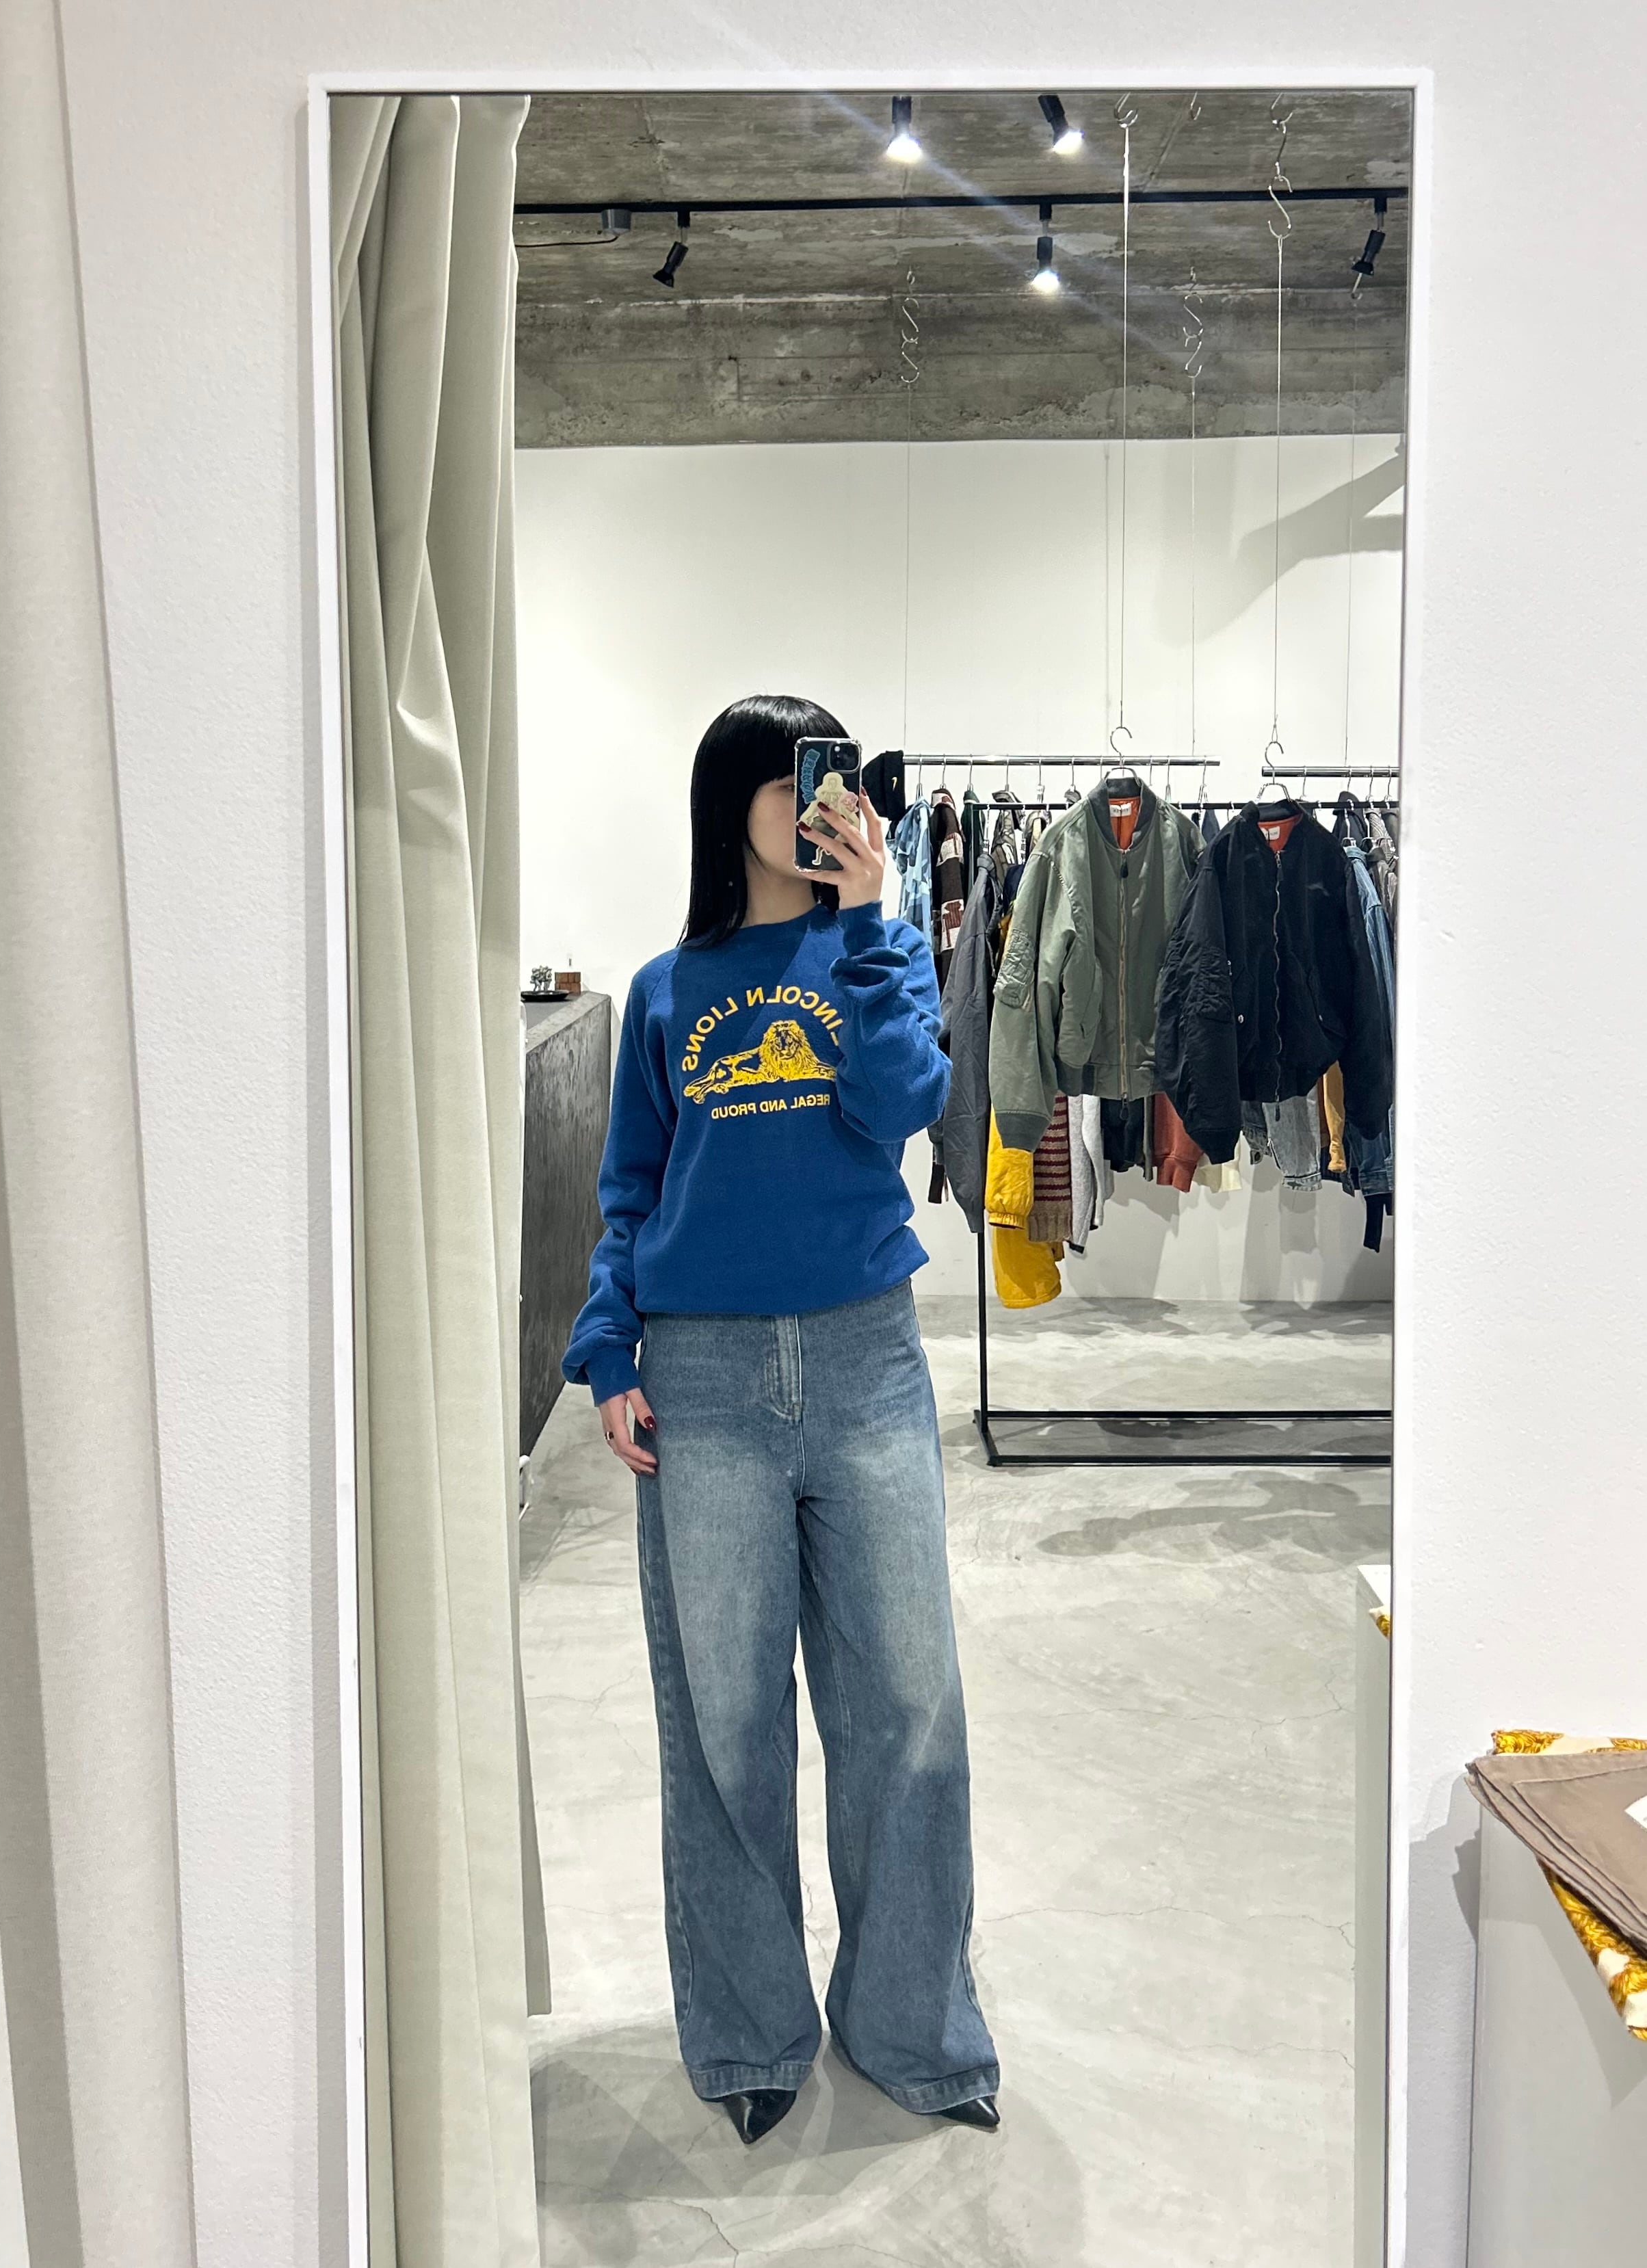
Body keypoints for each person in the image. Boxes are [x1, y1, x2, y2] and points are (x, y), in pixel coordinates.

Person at [562, 693, 1001, 2146]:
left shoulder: (875, 948)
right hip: (701, 1379)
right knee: (724, 1722)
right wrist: (608, 1349)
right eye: (793, 779)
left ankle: (913, 2024)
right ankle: (750, 2031)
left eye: (834, 777)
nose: (822, 803)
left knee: (908, 1704)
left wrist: (870, 917)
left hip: (866, 1359)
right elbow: (631, 1194)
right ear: (730, 800)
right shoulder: (663, 991)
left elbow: (905, 1103)